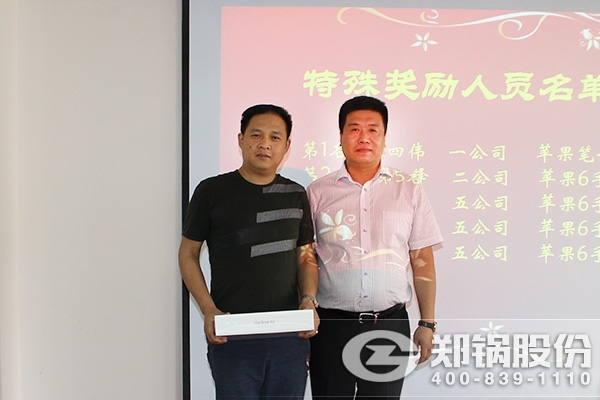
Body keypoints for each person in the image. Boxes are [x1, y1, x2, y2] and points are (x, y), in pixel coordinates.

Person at [178, 104, 319, 399]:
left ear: (286, 146)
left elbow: (305, 256)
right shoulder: (212, 191)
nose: (264, 144)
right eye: (256, 135)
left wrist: (309, 300)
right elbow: (188, 254)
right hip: (232, 334)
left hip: (288, 336)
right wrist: (209, 310)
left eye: (275, 137)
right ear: (241, 140)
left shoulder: (296, 194)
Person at [307, 96, 442, 398]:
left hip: (389, 325)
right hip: (330, 328)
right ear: (341, 136)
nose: (364, 138)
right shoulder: (317, 193)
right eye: (354, 129)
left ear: (384, 137)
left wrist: (427, 323)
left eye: (373, 130)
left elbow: (422, 258)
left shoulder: (408, 189)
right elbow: (305, 260)